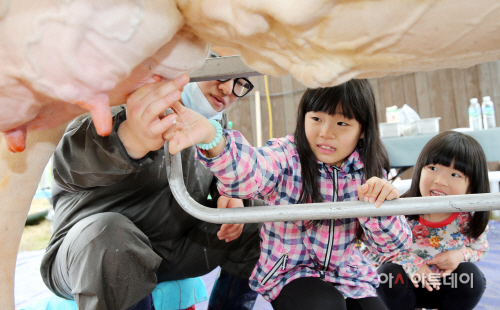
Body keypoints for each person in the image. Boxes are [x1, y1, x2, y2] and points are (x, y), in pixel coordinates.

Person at [164, 78, 412, 310]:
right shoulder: (287, 156)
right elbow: (251, 171)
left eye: (342, 123)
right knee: (324, 304)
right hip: (291, 272)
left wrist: (380, 208)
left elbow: (394, 248)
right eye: (316, 118)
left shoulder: (368, 173)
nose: (326, 132)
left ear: (363, 130)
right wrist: (212, 137)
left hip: (349, 274)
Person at [40, 68, 262, 310]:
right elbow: (72, 163)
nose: (228, 89)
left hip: (170, 251)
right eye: (220, 73)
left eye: (239, 82)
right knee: (110, 236)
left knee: (257, 218)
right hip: (90, 259)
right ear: (187, 64)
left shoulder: (213, 127)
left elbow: (228, 175)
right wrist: (129, 139)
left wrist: (229, 194)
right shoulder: (114, 105)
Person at [364, 131, 490, 310]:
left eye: (455, 175)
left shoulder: (469, 219)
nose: (440, 181)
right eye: (433, 168)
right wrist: (412, 264)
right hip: (406, 286)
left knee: (472, 278)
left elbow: (480, 249)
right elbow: (371, 251)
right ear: (419, 169)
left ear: (472, 185)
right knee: (387, 275)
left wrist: (461, 255)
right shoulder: (400, 212)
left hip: (446, 286)